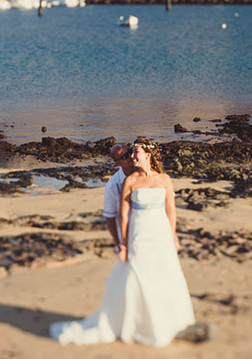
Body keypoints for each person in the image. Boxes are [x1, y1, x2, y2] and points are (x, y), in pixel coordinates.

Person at [49, 136, 200, 347]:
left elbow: (170, 210)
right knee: (134, 275)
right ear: (119, 163)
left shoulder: (164, 179)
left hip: (159, 232)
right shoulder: (118, 183)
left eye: (132, 153)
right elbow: (115, 216)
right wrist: (121, 243)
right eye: (125, 157)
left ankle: (169, 320)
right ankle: (135, 322)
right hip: (137, 233)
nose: (130, 158)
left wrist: (173, 235)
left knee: (165, 272)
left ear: (145, 155)